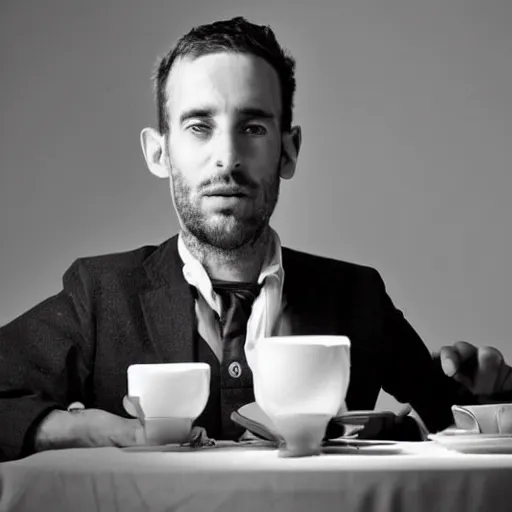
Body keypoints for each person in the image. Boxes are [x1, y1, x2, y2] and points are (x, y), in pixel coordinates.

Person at [0, 16, 510, 462]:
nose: (227, 156)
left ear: (289, 151)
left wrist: (489, 393)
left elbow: (461, 424)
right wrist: (78, 431)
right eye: (199, 126)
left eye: (254, 128)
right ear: (160, 153)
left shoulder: (356, 298)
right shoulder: (101, 293)